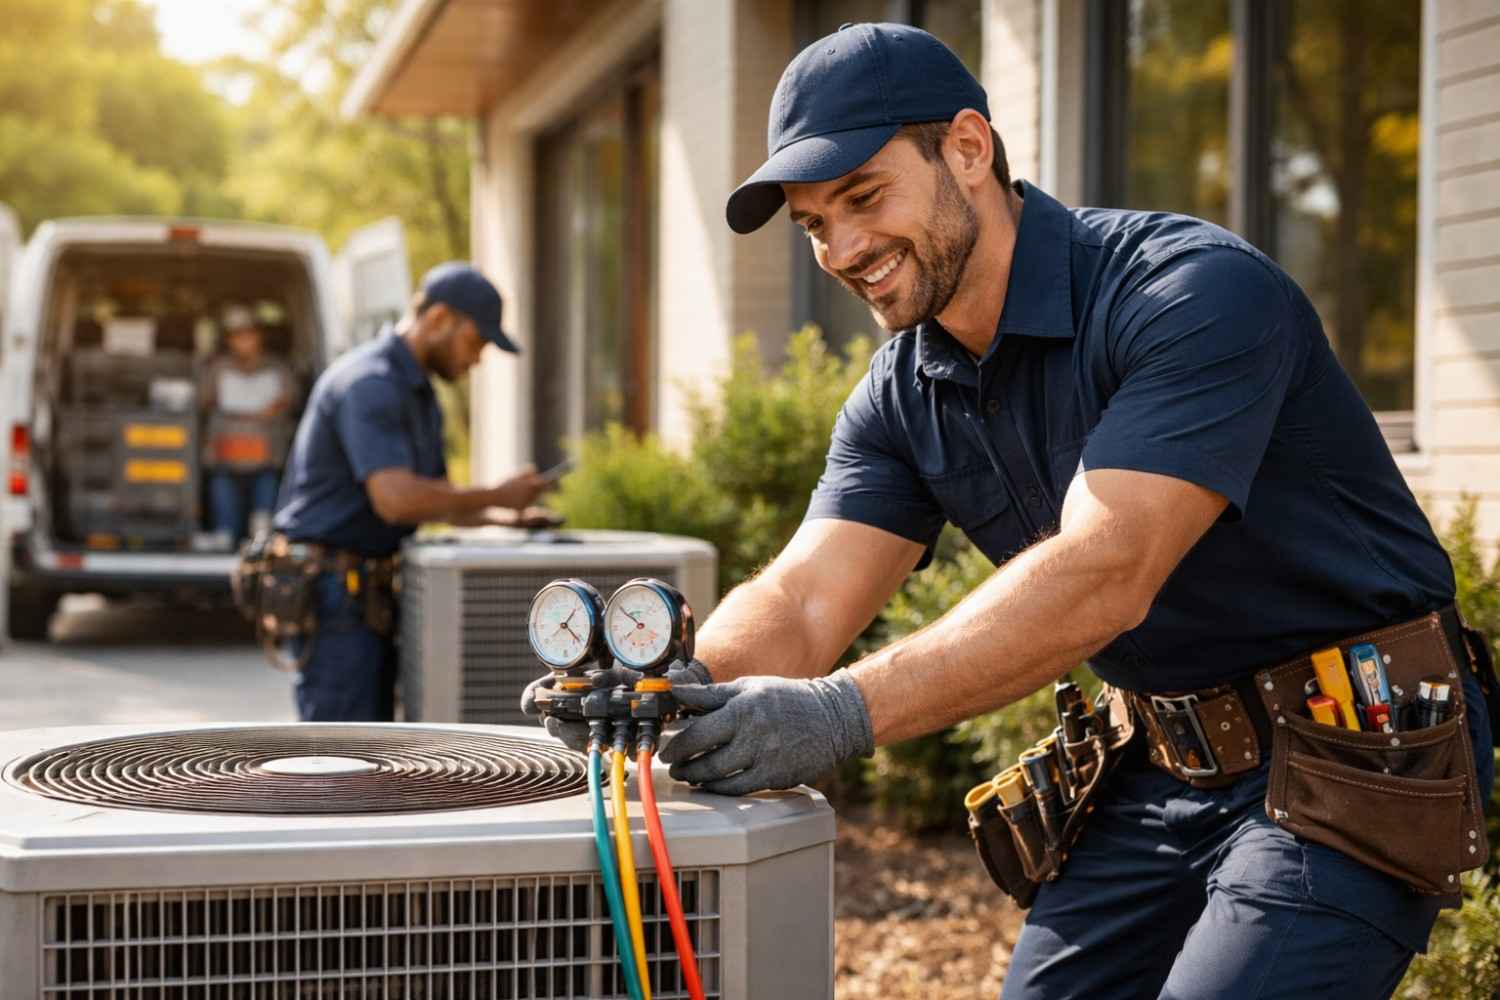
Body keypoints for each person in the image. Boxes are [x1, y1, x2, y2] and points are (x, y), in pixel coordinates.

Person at [524, 23, 1497, 999]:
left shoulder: (1188, 293)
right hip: (1158, 764)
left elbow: (1106, 570)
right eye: (815, 224)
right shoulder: (905, 389)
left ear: (968, 149)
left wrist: (840, 712)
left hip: (1354, 738)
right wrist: (666, 693)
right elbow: (808, 592)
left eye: (863, 197)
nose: (843, 247)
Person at [274, 262, 550, 722]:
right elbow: (397, 499)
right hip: (334, 594)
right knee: (342, 756)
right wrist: (496, 495)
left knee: (382, 748)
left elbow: (435, 496)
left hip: (372, 593)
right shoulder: (370, 384)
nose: (477, 359)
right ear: (440, 318)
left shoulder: (417, 393)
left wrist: (509, 519)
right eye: (476, 341)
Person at [201, 304, 294, 546]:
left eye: (248, 334)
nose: (243, 341)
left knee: (262, 529)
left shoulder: (278, 369)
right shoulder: (217, 369)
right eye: (236, 336)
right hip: (225, 460)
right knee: (225, 529)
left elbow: (288, 401)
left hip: (265, 462)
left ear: (258, 336)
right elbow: (204, 402)